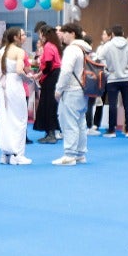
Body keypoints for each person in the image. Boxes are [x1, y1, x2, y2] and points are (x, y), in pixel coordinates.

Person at [0, 26, 32, 165]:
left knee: (5, 118)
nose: (24, 37)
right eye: (22, 35)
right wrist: (30, 79)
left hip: (3, 85)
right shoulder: (19, 51)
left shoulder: (2, 51)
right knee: (20, 119)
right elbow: (19, 70)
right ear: (15, 37)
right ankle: (18, 154)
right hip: (15, 84)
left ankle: (5, 154)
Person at [53, 21, 89, 167]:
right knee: (80, 122)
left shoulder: (71, 49)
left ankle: (69, 155)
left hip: (71, 90)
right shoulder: (84, 48)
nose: (61, 35)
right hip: (83, 90)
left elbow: (66, 71)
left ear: (72, 33)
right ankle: (80, 154)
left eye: (64, 32)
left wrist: (59, 89)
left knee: (69, 123)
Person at [99, 24, 128, 138]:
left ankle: (111, 130)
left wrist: (106, 69)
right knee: (127, 104)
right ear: (123, 34)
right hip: (126, 78)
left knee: (112, 104)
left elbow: (100, 58)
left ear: (112, 34)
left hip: (112, 78)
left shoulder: (108, 45)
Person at [32, 23, 61, 144]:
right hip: (53, 75)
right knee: (50, 105)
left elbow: (48, 65)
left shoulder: (48, 46)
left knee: (48, 104)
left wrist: (41, 75)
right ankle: (50, 132)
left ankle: (51, 133)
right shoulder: (54, 46)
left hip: (51, 77)